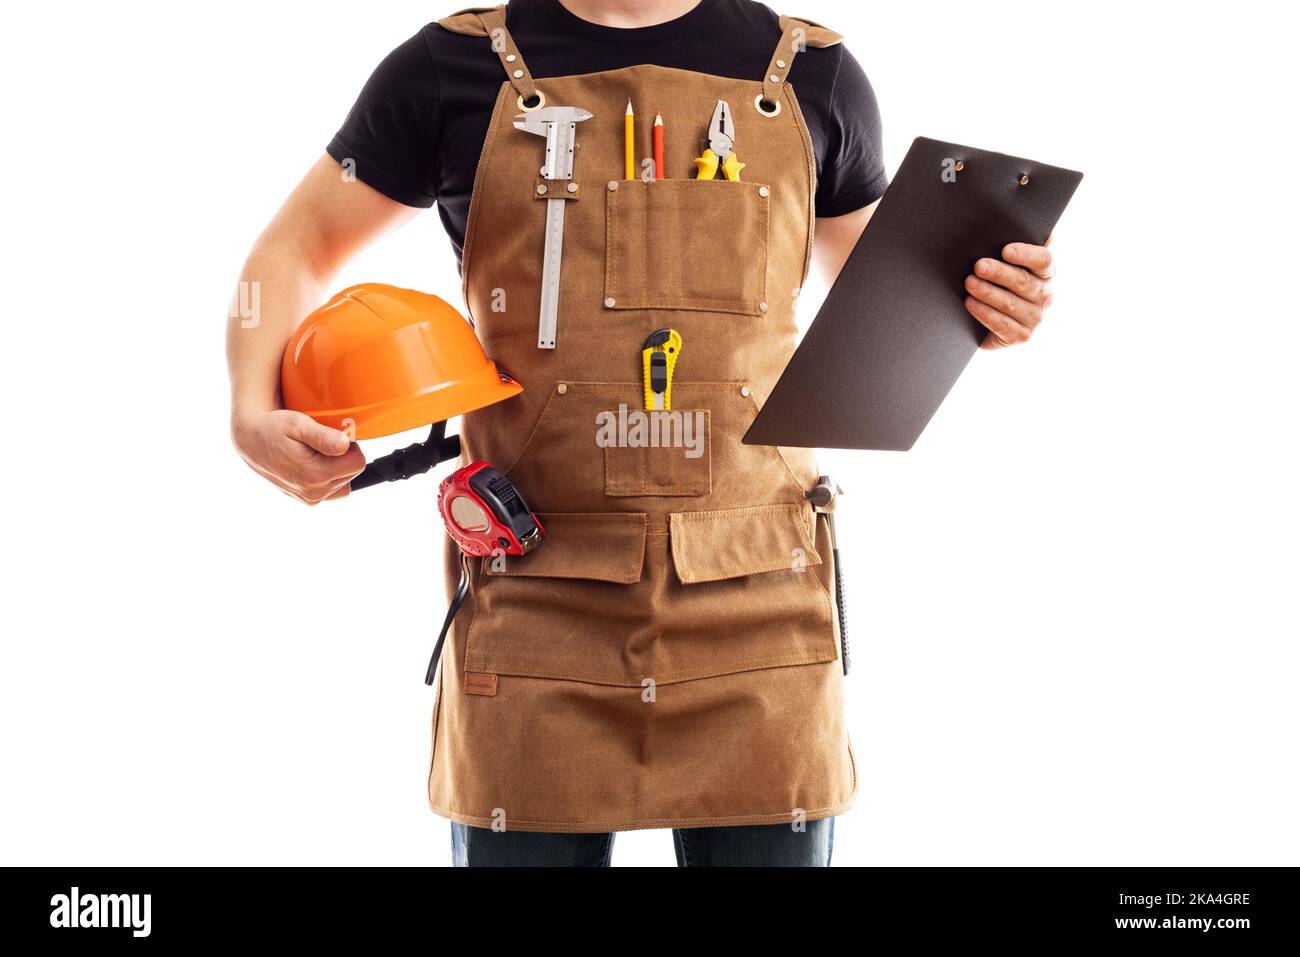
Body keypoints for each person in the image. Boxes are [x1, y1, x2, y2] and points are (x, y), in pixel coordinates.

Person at [227, 0, 1057, 867]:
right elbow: (292, 249)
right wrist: (252, 409)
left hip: (760, 608)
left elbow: (887, 311)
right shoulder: (450, 68)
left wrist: (986, 307)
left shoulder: (812, 75)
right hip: (532, 599)